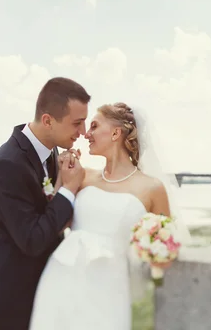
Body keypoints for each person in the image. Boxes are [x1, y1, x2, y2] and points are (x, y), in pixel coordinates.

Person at [29, 102, 188, 330]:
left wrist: (154, 253)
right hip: (61, 277)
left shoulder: (152, 188)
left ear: (115, 133)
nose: (86, 133)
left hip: (109, 288)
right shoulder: (82, 176)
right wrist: (62, 179)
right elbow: (57, 223)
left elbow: (167, 244)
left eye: (94, 126)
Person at [0, 77, 91, 330]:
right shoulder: (8, 164)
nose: (83, 132)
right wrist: (69, 190)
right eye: (77, 123)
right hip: (16, 301)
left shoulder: (52, 151)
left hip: (48, 292)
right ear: (47, 120)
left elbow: (50, 216)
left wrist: (63, 179)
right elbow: (32, 239)